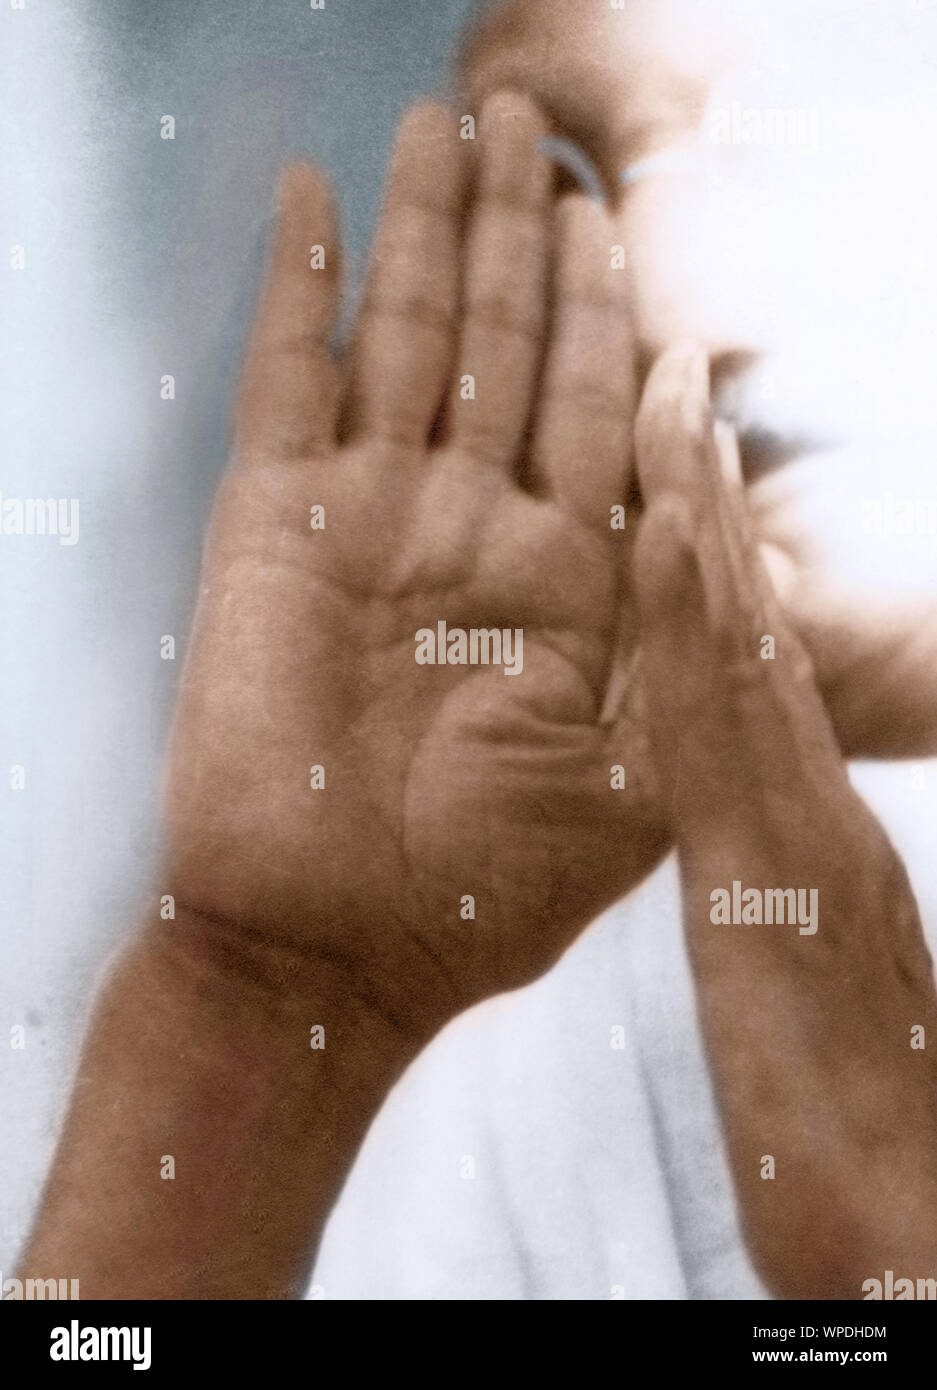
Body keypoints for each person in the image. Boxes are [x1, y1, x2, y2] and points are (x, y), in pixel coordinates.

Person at [20, 0, 937, 1299]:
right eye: (569, 177)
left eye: (785, 129)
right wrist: (261, 1005)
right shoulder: (550, 1043)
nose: (675, 304)